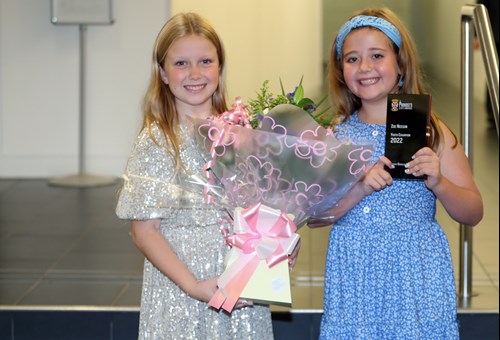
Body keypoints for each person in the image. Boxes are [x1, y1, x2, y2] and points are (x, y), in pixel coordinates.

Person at [116, 12, 294, 339]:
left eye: (205, 61)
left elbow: (264, 212)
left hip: (239, 283)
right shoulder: (156, 140)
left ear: (220, 67)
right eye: (181, 63)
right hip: (181, 287)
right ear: (163, 73)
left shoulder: (243, 133)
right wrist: (193, 285)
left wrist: (279, 247)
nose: (195, 73)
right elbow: (144, 231)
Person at [308, 7, 484, 339]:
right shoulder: (335, 134)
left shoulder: (433, 132)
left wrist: (440, 184)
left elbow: (473, 212)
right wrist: (359, 189)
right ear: (339, 69)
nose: (365, 67)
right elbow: (316, 216)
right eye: (352, 59)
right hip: (355, 272)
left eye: (377, 55)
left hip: (416, 271)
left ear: (400, 63)